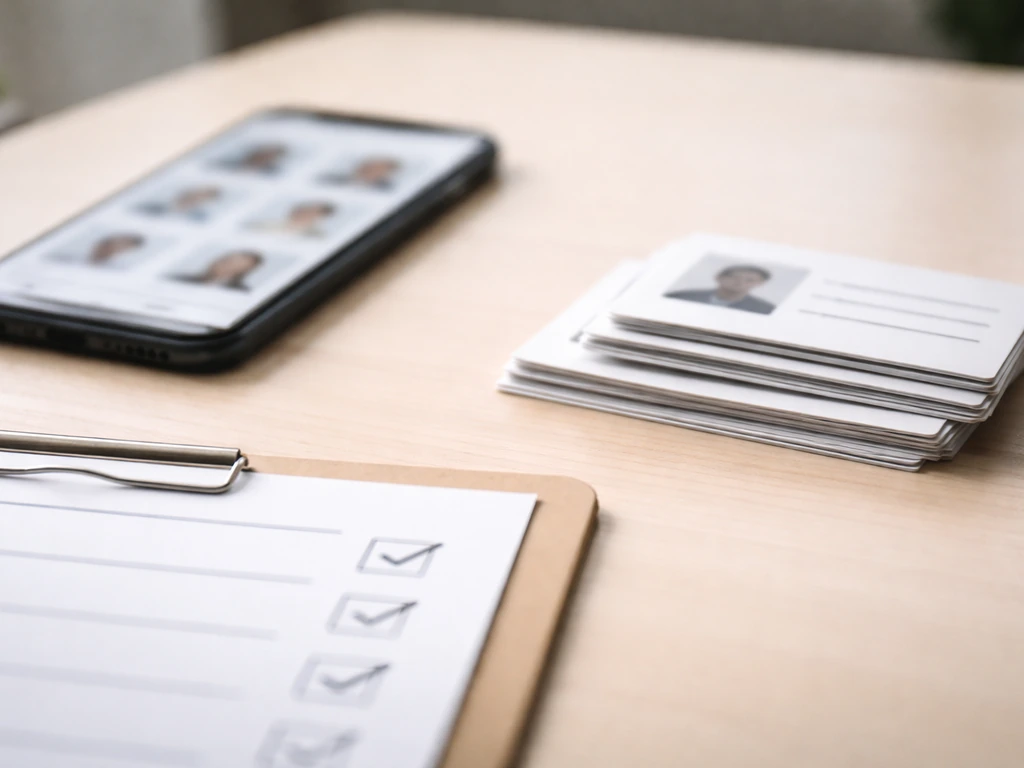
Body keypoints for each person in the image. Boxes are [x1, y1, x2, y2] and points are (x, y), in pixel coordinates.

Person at [665, 264, 776, 315]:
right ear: (719, 277)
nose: (740, 282)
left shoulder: (766, 310)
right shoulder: (681, 297)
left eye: (749, 280)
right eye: (734, 277)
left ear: (760, 284)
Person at [171, 250, 264, 291]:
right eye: (226, 261)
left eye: (235, 265)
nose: (225, 267)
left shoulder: (241, 291)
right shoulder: (181, 279)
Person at [249, 201, 337, 237]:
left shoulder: (317, 235)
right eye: (306, 208)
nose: (306, 212)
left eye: (313, 211)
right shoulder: (265, 225)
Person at [138, 186, 222, 222]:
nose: (197, 197)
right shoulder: (153, 204)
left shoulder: (196, 218)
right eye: (198, 193)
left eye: (203, 198)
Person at [320, 156, 400, 190]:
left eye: (376, 169)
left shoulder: (380, 189)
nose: (369, 168)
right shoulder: (333, 179)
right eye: (370, 165)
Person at [218, 143, 289, 175]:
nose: (264, 156)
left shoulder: (264, 176)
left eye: (269, 156)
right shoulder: (227, 163)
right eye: (264, 153)